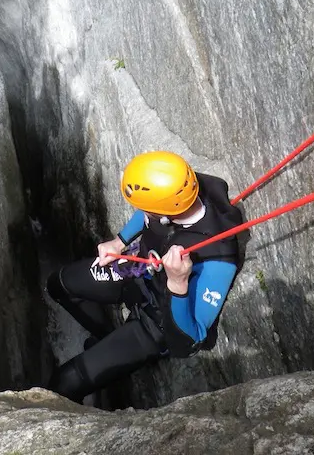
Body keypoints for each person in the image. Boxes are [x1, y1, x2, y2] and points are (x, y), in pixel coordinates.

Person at [46, 150, 243, 402]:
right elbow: (148, 212)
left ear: (164, 214)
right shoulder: (182, 190)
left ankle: (113, 356)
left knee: (65, 383)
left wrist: (178, 283)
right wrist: (120, 242)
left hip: (157, 323)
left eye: (146, 209)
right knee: (58, 284)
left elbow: (187, 343)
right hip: (138, 273)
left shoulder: (217, 259)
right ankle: (107, 337)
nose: (140, 212)